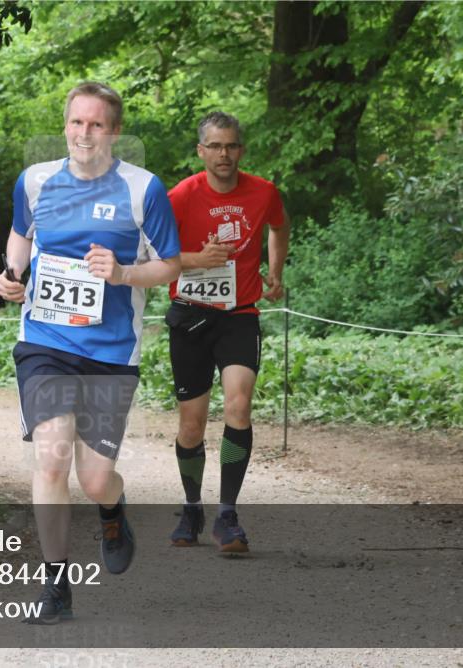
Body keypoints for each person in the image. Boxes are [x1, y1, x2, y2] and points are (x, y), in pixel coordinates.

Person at [0, 81, 181, 624]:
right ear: (65, 125)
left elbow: (169, 265)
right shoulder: (35, 181)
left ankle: (111, 509)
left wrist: (123, 273)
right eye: (77, 122)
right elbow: (19, 234)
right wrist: (13, 275)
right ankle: (56, 587)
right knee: (51, 456)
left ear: (115, 131)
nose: (85, 133)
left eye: (97, 124)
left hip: (110, 350)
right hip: (46, 342)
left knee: (95, 477)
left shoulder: (143, 189)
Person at [165, 111, 289, 553]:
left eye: (231, 145)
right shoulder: (179, 196)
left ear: (241, 150)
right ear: (201, 151)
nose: (224, 154)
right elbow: (151, 253)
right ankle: (191, 505)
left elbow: (279, 225)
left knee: (239, 405)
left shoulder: (263, 192)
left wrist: (274, 272)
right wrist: (196, 259)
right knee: (192, 426)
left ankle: (228, 515)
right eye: (215, 146)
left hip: (239, 314)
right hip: (191, 316)